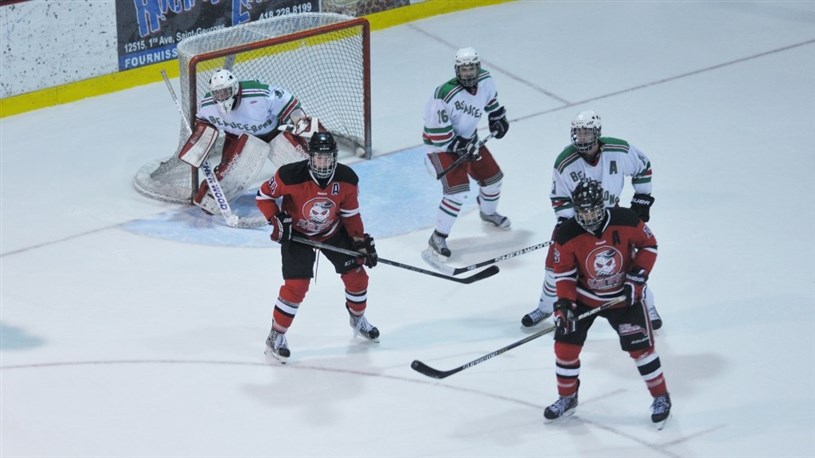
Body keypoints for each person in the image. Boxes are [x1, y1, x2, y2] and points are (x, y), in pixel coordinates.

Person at [543, 179, 671, 427]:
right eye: (583, 212)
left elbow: (649, 245)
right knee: (564, 349)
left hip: (624, 298)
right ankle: (567, 397)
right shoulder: (567, 233)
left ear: (602, 206)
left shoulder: (626, 219)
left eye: (592, 210)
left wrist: (637, 279)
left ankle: (661, 397)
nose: (588, 217)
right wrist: (565, 304)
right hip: (584, 298)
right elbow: (564, 272)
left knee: (641, 350)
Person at [522, 110, 663, 329]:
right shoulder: (565, 162)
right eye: (578, 133)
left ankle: (649, 307)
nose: (582, 137)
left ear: (597, 133)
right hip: (579, 220)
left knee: (624, 267)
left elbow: (643, 166)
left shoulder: (618, 150)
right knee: (554, 267)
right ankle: (546, 306)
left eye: (587, 132)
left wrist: (642, 198)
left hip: (611, 220)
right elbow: (559, 197)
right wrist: (569, 224)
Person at [255, 131, 379, 363]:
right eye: (318, 157)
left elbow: (351, 215)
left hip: (333, 231)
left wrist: (360, 243)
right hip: (297, 235)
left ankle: (357, 318)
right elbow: (263, 196)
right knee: (297, 286)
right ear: (310, 157)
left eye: (327, 157)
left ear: (335, 157)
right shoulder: (290, 175)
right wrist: (276, 219)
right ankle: (276, 335)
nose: (323, 162)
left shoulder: (347, 179)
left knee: (357, 276)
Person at [421, 47, 511, 260]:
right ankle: (438, 237)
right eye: (464, 69)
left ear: (478, 68)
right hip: (440, 149)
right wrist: (460, 147)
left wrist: (497, 119)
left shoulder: (486, 81)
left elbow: (492, 105)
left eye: (471, 68)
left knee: (493, 180)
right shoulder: (443, 95)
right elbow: (438, 136)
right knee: (457, 192)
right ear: (457, 70)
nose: (468, 73)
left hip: (469, 141)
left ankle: (488, 213)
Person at [185, 68, 312, 214]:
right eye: (217, 93)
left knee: (305, 167)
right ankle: (212, 198)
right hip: (241, 139)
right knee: (230, 176)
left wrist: (301, 123)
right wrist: (200, 142)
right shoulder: (208, 106)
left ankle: (315, 194)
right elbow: (203, 124)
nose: (221, 96)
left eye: (225, 91)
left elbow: (290, 105)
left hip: (275, 133)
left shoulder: (259, 93)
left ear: (235, 88)